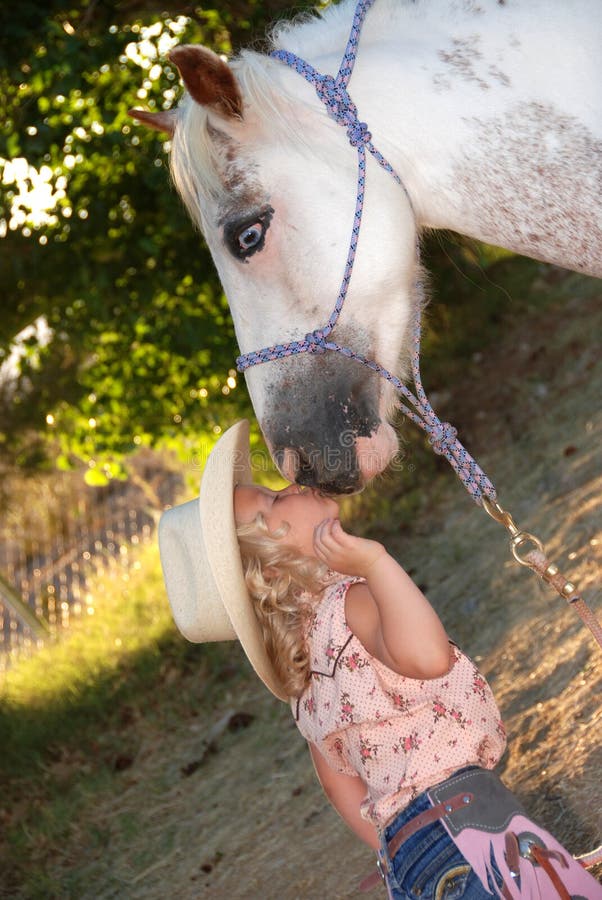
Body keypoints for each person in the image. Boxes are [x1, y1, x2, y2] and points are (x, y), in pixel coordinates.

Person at [159, 420, 602, 900]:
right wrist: (376, 563)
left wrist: (401, 852)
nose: (290, 484)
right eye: (274, 499)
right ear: (274, 564)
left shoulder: (303, 680)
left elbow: (340, 788)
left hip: (410, 864)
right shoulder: (352, 605)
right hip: (463, 828)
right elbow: (429, 658)